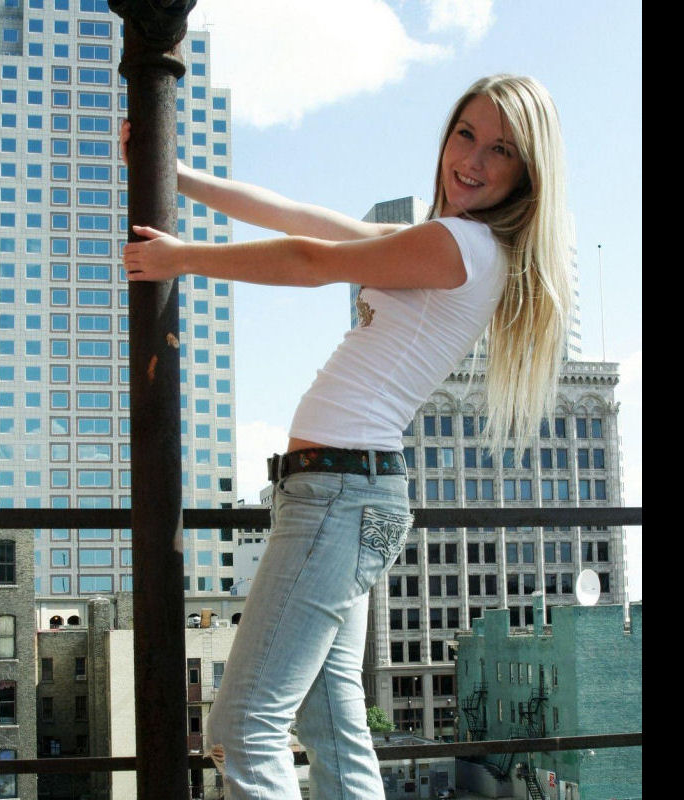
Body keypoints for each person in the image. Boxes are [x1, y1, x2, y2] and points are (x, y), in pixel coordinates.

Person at [121, 74, 571, 799]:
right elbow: (306, 217)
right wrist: (175, 175)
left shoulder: (460, 244)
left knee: (243, 729)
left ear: (527, 173)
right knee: (332, 724)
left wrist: (181, 259)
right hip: (350, 492)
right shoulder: (457, 244)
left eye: (502, 150)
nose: (473, 160)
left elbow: (311, 260)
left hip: (339, 494)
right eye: (466, 134)